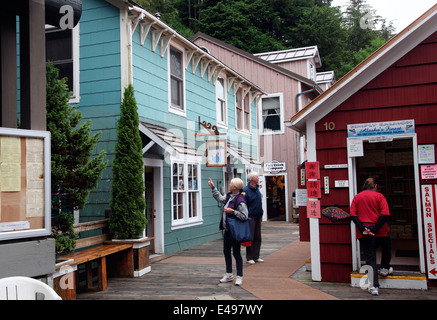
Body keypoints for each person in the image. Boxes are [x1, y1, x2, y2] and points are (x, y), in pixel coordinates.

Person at [350, 177, 392, 296]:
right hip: (381, 231)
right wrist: (374, 229)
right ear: (375, 186)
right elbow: (385, 214)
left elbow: (353, 215)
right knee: (387, 245)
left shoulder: (357, 197)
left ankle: (373, 286)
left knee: (370, 257)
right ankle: (384, 268)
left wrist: (363, 228)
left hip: (364, 232)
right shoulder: (379, 196)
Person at [208, 177, 249, 286]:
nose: (229, 185)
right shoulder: (229, 196)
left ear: (235, 187)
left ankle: (239, 276)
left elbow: (245, 216)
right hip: (227, 230)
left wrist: (233, 211)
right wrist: (213, 188)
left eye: (231, 184)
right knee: (226, 251)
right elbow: (220, 198)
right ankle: (229, 274)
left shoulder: (240, 200)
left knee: (236, 253)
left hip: (235, 231)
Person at [243, 172, 264, 264]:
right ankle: (250, 257)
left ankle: (256, 256)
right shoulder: (246, 190)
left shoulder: (257, 189)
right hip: (250, 217)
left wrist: (261, 214)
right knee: (250, 237)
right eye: (256, 176)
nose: (258, 178)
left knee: (258, 237)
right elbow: (244, 204)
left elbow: (259, 202)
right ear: (251, 179)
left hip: (258, 215)